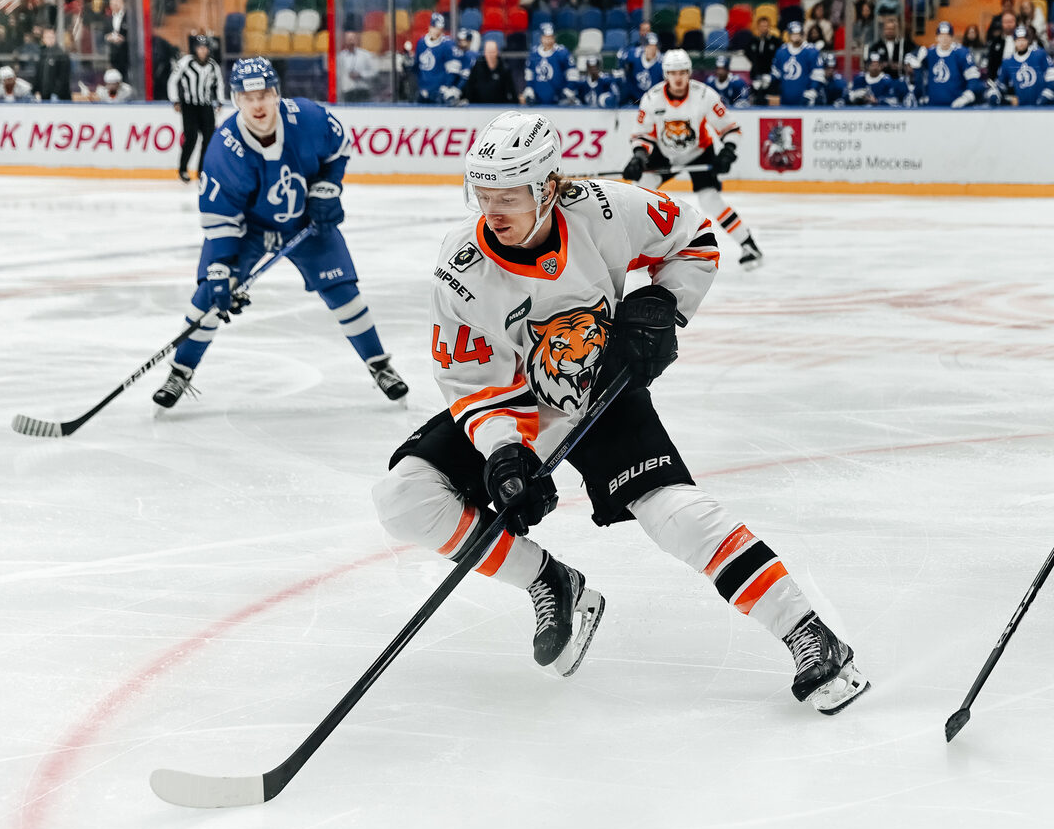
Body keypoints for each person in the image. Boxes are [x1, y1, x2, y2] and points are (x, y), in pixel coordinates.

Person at [370, 113, 868, 710]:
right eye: (483, 195)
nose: (492, 211)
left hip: (604, 383)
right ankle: (550, 581)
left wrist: (661, 303)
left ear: (547, 188)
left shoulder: (604, 209)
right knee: (405, 499)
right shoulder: (463, 271)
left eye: (508, 196)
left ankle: (808, 633)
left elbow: (695, 238)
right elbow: (473, 382)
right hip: (518, 400)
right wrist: (504, 452)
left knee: (675, 515)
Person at [151, 58, 408, 409]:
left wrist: (327, 189)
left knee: (343, 290)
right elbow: (221, 217)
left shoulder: (309, 118)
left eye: (263, 95)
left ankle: (379, 365)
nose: (257, 105)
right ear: (236, 100)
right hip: (249, 229)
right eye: (248, 97)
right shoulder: (224, 149)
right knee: (211, 294)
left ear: (276, 95)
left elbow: (338, 150)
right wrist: (222, 267)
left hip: (306, 221)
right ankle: (180, 371)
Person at [620, 50, 762, 271]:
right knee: (640, 192)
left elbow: (730, 128)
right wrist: (639, 157)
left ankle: (748, 244)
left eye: (682, 72)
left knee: (710, 200)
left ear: (689, 73)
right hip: (664, 153)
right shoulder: (652, 98)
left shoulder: (704, 95)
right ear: (666, 74)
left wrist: (728, 151)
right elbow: (642, 134)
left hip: (699, 152)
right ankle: (630, 248)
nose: (678, 78)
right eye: (673, 73)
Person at [167, 33, 225, 182]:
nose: (202, 51)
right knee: (191, 138)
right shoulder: (186, 62)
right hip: (189, 106)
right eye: (200, 48)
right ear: (195, 49)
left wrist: (219, 101)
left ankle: (202, 170)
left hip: (206, 105)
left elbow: (219, 83)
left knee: (208, 139)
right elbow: (173, 80)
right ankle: (183, 169)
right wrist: (175, 100)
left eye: (205, 48)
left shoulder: (213, 65)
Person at [912, 21, 985, 107]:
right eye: (941, 35)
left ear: (952, 37)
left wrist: (967, 95)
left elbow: (973, 77)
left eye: (947, 36)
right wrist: (917, 64)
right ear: (937, 37)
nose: (944, 39)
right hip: (933, 106)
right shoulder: (929, 53)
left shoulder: (961, 53)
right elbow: (918, 74)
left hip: (956, 106)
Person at [995, 25, 1054, 106]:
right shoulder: (1008, 62)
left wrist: (1044, 97)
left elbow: (1053, 77)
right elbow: (1000, 86)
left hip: (1042, 107)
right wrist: (1008, 99)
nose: (1021, 43)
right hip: (1020, 108)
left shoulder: (1040, 54)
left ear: (1028, 40)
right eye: (1018, 40)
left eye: (1023, 39)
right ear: (1014, 41)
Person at [770, 21, 827, 106]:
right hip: (785, 98)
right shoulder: (781, 51)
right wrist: (768, 80)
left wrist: (813, 90)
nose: (796, 36)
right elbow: (776, 73)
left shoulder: (811, 51)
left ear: (802, 34)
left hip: (805, 99)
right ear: (789, 35)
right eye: (793, 34)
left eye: (798, 33)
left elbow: (818, 75)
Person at [520, 25, 574, 106]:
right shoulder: (534, 53)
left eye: (550, 37)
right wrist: (529, 88)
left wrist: (569, 89)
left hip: (559, 97)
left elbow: (572, 73)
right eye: (546, 37)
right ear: (541, 38)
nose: (548, 40)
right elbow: (529, 73)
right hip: (538, 97)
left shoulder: (562, 52)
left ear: (554, 38)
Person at [414, 14, 461, 105]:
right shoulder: (421, 43)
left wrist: (447, 86)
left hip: (440, 91)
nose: (437, 31)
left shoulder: (448, 44)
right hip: (424, 89)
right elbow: (417, 66)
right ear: (430, 27)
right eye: (435, 27)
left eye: (439, 28)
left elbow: (453, 70)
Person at [463, 37, 517, 104]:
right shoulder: (477, 66)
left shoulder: (504, 68)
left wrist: (516, 104)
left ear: (497, 52)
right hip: (478, 105)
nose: (490, 55)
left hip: (500, 106)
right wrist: (467, 100)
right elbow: (470, 86)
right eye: (488, 52)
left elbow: (512, 89)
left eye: (492, 52)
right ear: (485, 53)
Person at [620, 32, 664, 105]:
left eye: (653, 47)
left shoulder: (662, 62)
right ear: (644, 46)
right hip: (634, 97)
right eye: (648, 47)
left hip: (654, 99)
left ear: (657, 48)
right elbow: (620, 55)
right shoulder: (633, 55)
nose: (651, 50)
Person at [337, 32, 381, 102]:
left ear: (357, 40)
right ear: (345, 41)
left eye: (352, 39)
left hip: (363, 90)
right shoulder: (341, 56)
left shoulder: (365, 55)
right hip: (347, 92)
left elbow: (374, 72)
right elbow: (338, 75)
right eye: (349, 39)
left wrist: (361, 74)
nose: (351, 42)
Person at [34, 28, 70, 102]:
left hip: (58, 97)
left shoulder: (61, 54)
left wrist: (56, 93)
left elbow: (63, 77)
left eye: (51, 37)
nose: (49, 39)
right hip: (44, 96)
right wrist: (36, 90)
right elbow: (39, 75)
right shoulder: (42, 54)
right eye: (47, 37)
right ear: (43, 39)